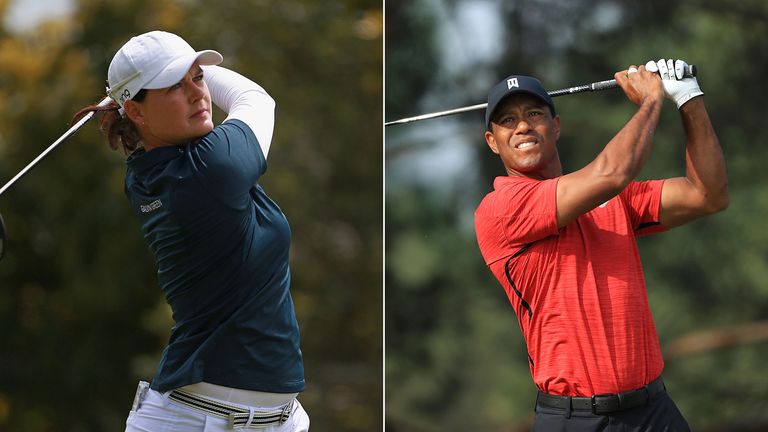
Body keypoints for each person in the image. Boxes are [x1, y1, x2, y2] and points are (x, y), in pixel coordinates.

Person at [73, 30, 309, 431]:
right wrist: (183, 70)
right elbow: (256, 98)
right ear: (136, 113)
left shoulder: (146, 174)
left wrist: (161, 75)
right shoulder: (211, 169)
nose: (198, 94)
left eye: (198, 78)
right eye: (174, 87)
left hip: (277, 420)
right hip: (193, 420)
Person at [473, 60, 727, 431]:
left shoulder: (611, 198)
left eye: (534, 113)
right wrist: (652, 100)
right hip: (576, 419)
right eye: (507, 120)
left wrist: (689, 98)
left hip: (654, 411)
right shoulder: (500, 210)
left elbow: (707, 194)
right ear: (492, 142)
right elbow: (612, 172)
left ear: (556, 126)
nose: (523, 126)